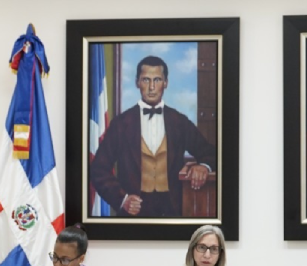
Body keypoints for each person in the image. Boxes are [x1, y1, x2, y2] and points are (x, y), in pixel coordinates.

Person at [89, 55, 217, 217]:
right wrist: (122, 199)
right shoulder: (121, 124)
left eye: (157, 80)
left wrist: (203, 166)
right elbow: (98, 169)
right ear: (137, 83)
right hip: (133, 214)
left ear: (166, 83)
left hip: (172, 210)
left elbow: (210, 152)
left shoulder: (179, 122)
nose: (151, 87)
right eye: (145, 80)